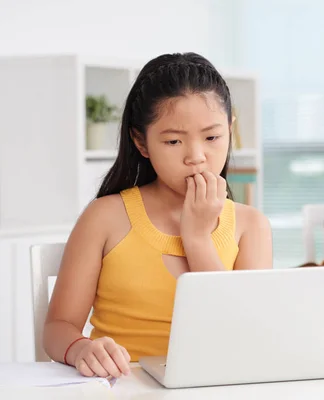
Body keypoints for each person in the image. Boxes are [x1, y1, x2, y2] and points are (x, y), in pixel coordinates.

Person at [43, 53, 273, 378]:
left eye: (212, 137)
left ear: (230, 130)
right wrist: (81, 348)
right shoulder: (105, 217)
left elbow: (243, 334)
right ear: (142, 142)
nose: (196, 157)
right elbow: (57, 327)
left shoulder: (251, 225)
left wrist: (197, 238)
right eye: (174, 141)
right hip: (122, 387)